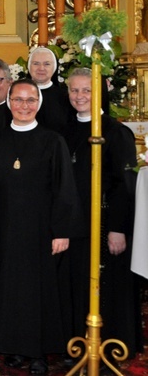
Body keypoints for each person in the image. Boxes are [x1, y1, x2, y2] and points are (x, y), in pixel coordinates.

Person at [0, 79, 82, 375]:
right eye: (18, 99)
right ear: (10, 102)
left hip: (42, 231)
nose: (23, 106)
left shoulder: (53, 141)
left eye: (30, 100)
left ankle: (38, 351)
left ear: (38, 104)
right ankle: (13, 346)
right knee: (8, 290)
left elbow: (65, 189)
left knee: (40, 293)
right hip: (4, 230)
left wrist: (61, 231)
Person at [65, 68, 142, 357]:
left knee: (108, 287)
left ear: (99, 92)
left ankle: (109, 347)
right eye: (74, 90)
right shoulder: (66, 130)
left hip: (106, 223)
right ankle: (80, 343)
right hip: (76, 225)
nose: (80, 96)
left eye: (87, 90)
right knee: (79, 285)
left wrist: (118, 228)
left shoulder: (114, 131)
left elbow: (124, 183)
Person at [28, 46, 72, 134]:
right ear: (29, 66)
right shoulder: (18, 94)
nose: (41, 68)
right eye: (36, 63)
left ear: (54, 67)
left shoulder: (65, 96)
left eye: (47, 64)